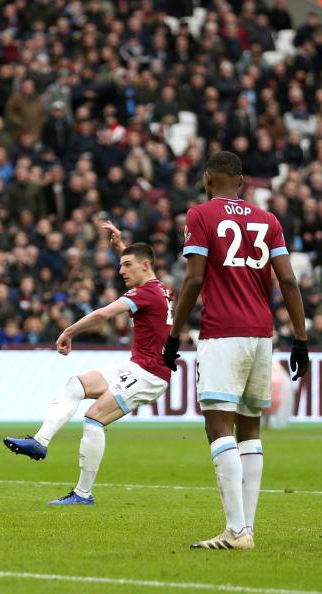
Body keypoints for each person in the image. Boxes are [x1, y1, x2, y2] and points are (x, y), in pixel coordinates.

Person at [164, 151, 309, 550]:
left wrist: (174, 335)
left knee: (217, 427)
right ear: (242, 181)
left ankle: (236, 530)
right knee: (250, 429)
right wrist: (300, 338)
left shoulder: (200, 215)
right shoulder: (269, 220)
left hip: (222, 334)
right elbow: (290, 282)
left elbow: (194, 280)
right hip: (263, 335)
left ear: (208, 177)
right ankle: (246, 529)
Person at [4, 223, 174, 505]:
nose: (121, 271)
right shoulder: (159, 287)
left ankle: (83, 494)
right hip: (136, 366)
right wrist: (121, 247)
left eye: (126, 266)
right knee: (75, 385)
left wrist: (68, 331)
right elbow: (141, 262)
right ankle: (40, 442)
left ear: (144, 266)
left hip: (149, 374)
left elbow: (104, 313)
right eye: (121, 265)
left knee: (93, 419)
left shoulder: (146, 294)